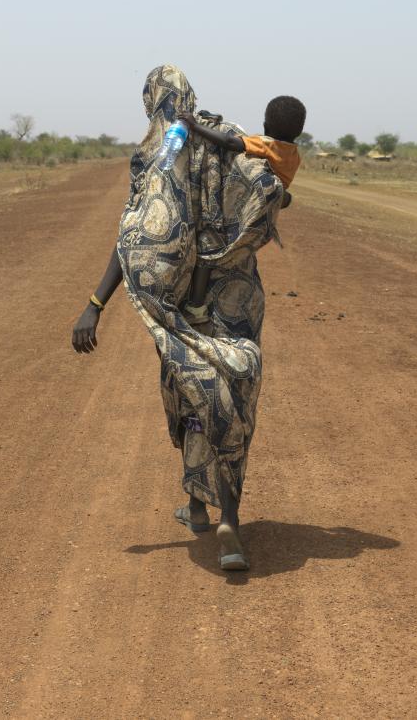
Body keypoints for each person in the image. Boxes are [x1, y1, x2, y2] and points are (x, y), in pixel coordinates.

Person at [71, 65, 286, 571]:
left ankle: (201, 508)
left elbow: (136, 234)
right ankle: (217, 514)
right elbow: (272, 186)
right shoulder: (226, 135)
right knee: (231, 396)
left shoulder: (156, 154)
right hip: (237, 295)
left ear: (153, 102)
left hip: (185, 301)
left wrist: (95, 305)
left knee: (190, 394)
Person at [177, 96, 305, 322]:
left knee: (209, 249)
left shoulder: (268, 145)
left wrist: (195, 126)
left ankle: (196, 308)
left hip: (251, 202)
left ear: (265, 126)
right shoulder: (293, 154)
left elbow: (230, 143)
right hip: (266, 212)